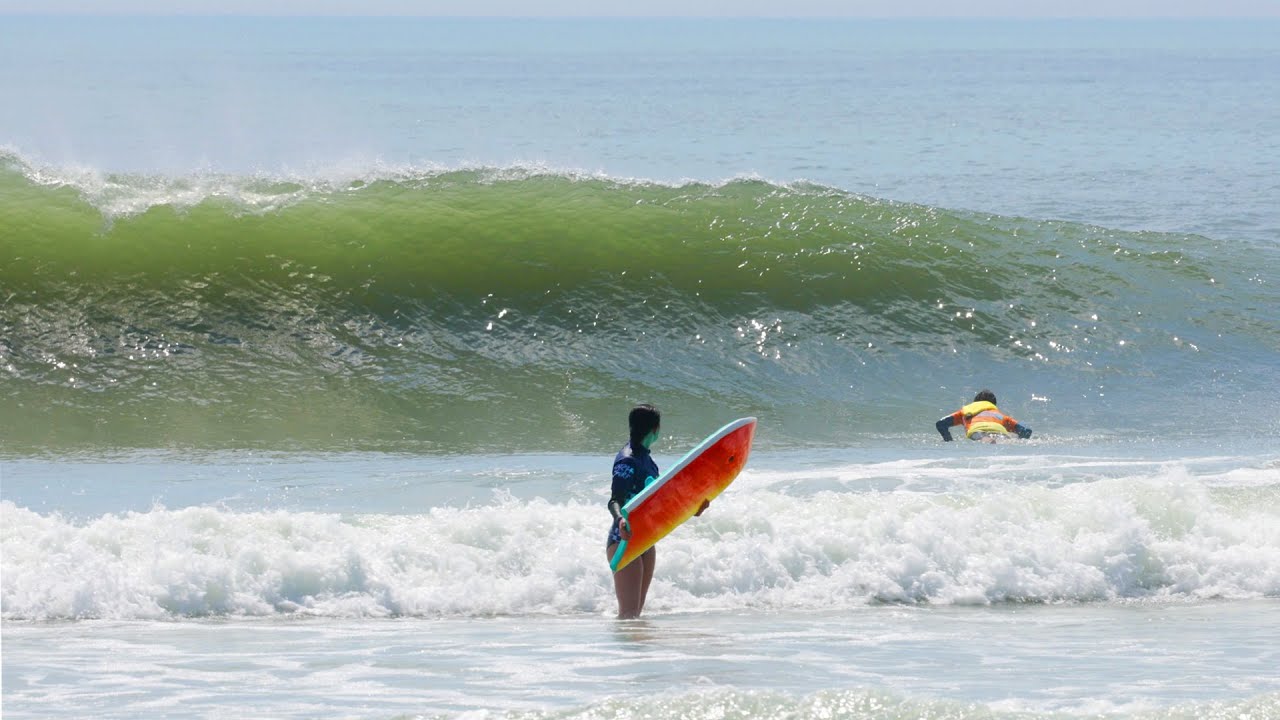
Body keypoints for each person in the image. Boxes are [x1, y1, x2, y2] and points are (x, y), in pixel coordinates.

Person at [605, 403, 707, 619]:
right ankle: (620, 642)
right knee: (628, 616)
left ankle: (635, 644)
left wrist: (693, 509)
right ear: (655, 429)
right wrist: (621, 520)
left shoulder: (648, 462)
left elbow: (662, 505)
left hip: (645, 541)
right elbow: (615, 500)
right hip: (624, 540)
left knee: (635, 616)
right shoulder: (627, 460)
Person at [935, 389, 1033, 442]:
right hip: (1000, 432)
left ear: (975, 402)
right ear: (993, 405)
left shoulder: (965, 412)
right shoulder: (1000, 415)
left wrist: (949, 441)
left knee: (986, 441)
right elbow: (1026, 431)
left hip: (978, 431)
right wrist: (1019, 441)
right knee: (1001, 442)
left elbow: (940, 424)